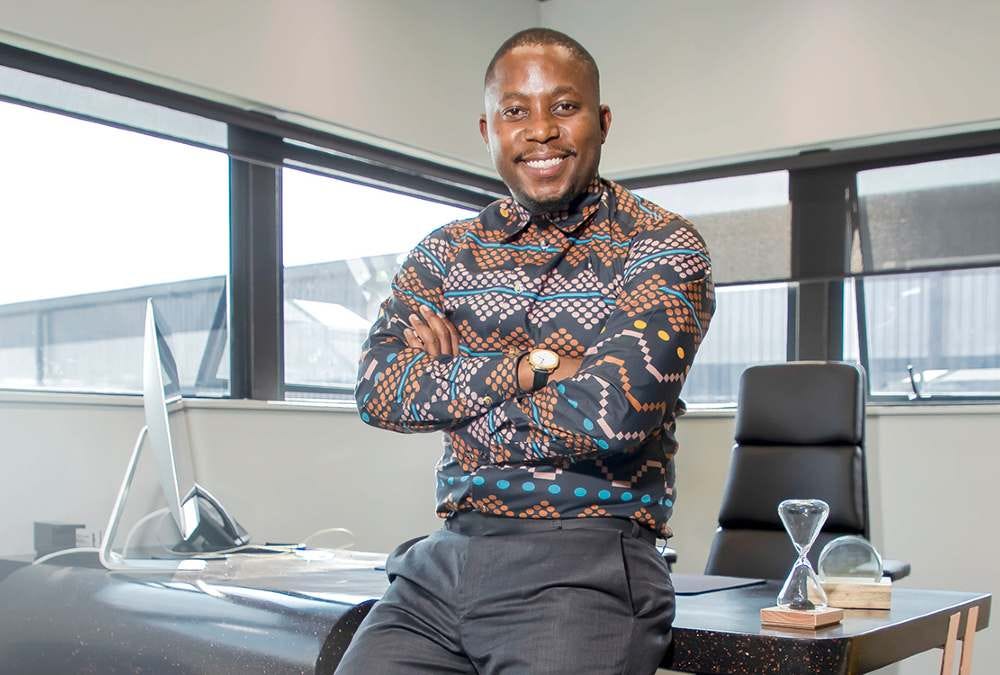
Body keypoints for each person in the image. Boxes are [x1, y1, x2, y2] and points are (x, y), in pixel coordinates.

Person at [339, 27, 715, 675]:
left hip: (582, 566)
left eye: (564, 107)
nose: (540, 130)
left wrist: (453, 387)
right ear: (489, 130)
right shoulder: (446, 252)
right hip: (442, 564)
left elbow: (614, 414)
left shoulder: (660, 246)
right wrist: (531, 367)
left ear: (602, 121)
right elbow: (378, 392)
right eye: (516, 111)